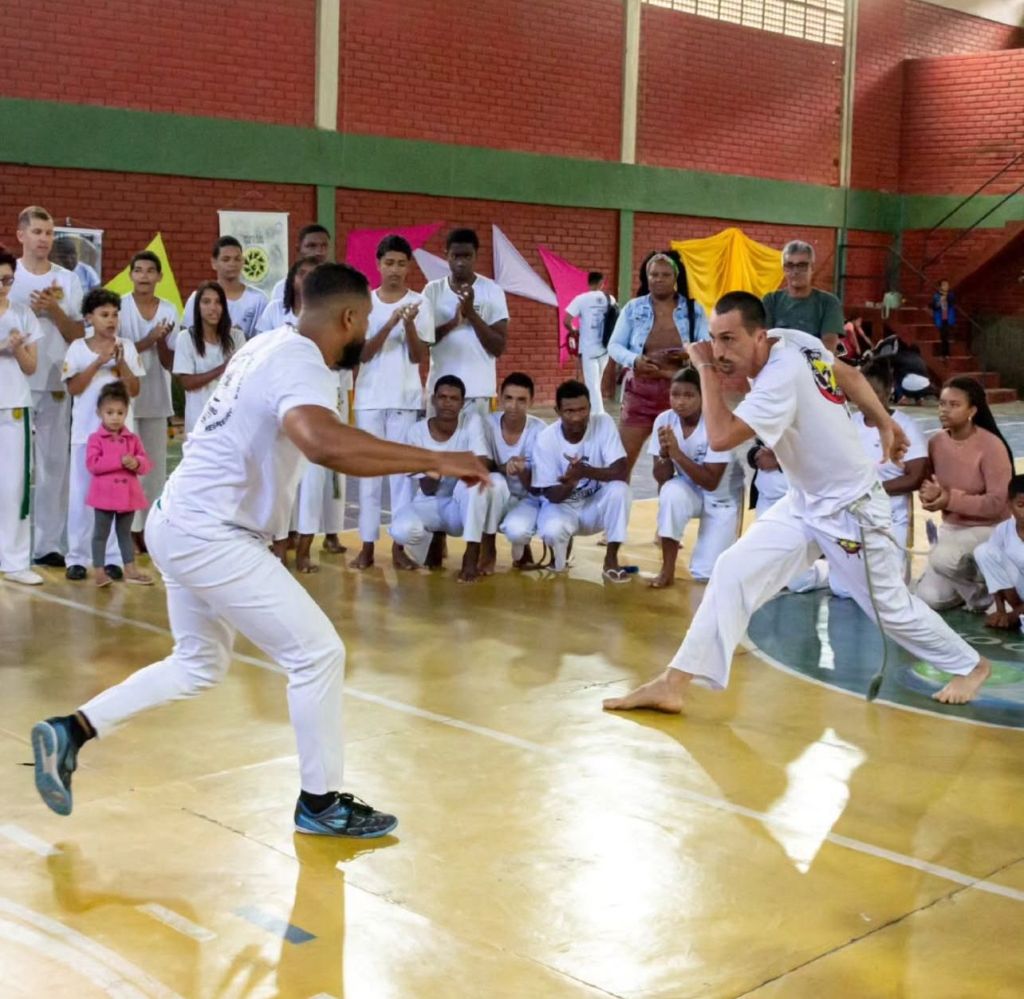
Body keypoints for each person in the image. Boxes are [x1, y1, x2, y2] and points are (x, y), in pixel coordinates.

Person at [30, 262, 490, 838]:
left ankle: (70, 730)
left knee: (199, 663)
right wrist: (437, 458)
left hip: (181, 520)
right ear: (348, 317)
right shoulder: (300, 362)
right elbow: (321, 442)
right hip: (211, 532)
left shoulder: (271, 344)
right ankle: (321, 805)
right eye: (364, 320)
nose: (363, 332)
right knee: (318, 655)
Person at [604, 292, 992, 714]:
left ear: (758, 335)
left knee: (890, 609)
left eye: (730, 340)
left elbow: (720, 437)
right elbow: (849, 375)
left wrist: (704, 372)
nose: (719, 352)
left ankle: (971, 665)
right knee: (732, 570)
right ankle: (673, 683)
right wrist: (884, 423)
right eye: (714, 340)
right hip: (805, 502)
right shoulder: (792, 338)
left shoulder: (777, 377)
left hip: (851, 510)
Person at [351, 235, 433, 571]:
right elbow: (363, 354)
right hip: (370, 400)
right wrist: (389, 323)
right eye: (389, 263)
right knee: (369, 477)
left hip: (405, 398)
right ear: (378, 264)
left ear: (409, 266)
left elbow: (419, 357)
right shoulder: (364, 304)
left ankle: (399, 546)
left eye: (401, 263)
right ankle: (367, 546)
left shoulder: (420, 303)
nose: (395, 269)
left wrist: (409, 325)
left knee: (402, 477)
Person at [11, 206, 85, 568]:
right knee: (11, 466)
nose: (44, 239)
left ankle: (48, 545)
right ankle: (9, 542)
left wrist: (53, 310)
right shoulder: (10, 277)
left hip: (55, 378)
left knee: (54, 464)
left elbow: (78, 334)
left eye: (49, 232)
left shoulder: (67, 281)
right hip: (13, 381)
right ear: (20, 234)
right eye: (38, 231)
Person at [389, 376, 506, 582]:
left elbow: (481, 465)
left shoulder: (472, 421)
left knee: (477, 485)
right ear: (433, 400)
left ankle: (471, 554)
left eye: (453, 398)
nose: (447, 402)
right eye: (442, 397)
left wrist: (438, 465)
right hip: (430, 502)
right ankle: (435, 536)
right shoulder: (416, 432)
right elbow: (427, 487)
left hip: (460, 508)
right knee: (402, 531)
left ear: (462, 403)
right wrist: (460, 464)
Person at [62, 289, 145, 581]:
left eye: (114, 315)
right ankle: (78, 558)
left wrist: (120, 362)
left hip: (120, 440)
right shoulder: (77, 348)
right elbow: (73, 388)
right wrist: (99, 361)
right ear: (89, 318)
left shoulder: (127, 347)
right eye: (104, 315)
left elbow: (134, 390)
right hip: (86, 435)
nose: (111, 321)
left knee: (115, 499)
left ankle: (112, 559)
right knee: (82, 497)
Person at [915, 376, 1013, 612]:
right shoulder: (936, 442)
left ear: (972, 410)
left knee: (942, 558)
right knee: (930, 598)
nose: (944, 410)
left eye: (954, 405)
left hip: (990, 529)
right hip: (951, 530)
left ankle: (988, 595)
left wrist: (949, 498)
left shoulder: (992, 446)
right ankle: (979, 588)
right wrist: (929, 497)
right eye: (941, 403)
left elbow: (998, 504)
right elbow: (931, 485)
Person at [608, 250, 709, 476]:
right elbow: (614, 346)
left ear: (676, 278)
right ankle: (616, 507)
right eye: (653, 274)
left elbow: (709, 344)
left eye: (665, 274)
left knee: (667, 468)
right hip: (639, 395)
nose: (658, 279)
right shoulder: (633, 308)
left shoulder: (693, 310)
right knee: (621, 464)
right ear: (646, 277)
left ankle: (671, 508)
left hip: (679, 396)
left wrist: (686, 353)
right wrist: (635, 361)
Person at [648, 368, 742, 589]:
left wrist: (677, 452)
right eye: (675, 395)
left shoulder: (718, 421)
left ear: (703, 396)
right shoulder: (664, 420)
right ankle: (667, 568)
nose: (680, 402)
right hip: (690, 488)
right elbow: (662, 478)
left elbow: (711, 481)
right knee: (670, 491)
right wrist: (664, 454)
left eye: (688, 395)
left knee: (706, 574)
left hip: (722, 498)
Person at [532, 380, 633, 580]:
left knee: (620, 490)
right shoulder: (546, 439)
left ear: (590, 408)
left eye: (582, 410)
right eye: (569, 411)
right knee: (553, 533)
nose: (577, 417)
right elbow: (551, 495)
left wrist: (584, 471)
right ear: (557, 411)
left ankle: (611, 560)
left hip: (594, 509)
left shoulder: (603, 423)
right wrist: (571, 481)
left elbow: (621, 470)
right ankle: (560, 554)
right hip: (562, 506)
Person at [116, 250, 178, 553]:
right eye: (138, 270)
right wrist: (150, 338)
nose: (143, 275)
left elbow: (169, 362)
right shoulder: (119, 307)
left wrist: (162, 342)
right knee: (126, 466)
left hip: (156, 395)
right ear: (131, 275)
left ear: (159, 277)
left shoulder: (168, 310)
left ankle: (150, 529)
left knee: (153, 468)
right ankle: (127, 529)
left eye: (149, 270)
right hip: (124, 398)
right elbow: (121, 352)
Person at [423, 228, 509, 417]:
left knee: (476, 447)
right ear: (446, 255)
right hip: (441, 391)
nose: (461, 262)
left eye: (467, 256)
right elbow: (423, 343)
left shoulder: (492, 291)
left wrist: (471, 314)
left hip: (478, 392)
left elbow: (498, 347)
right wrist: (453, 323)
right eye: (455, 256)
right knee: (437, 446)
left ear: (476, 256)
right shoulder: (432, 290)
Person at [0, 245, 45, 585]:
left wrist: (16, 350)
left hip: (14, 405)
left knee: (15, 486)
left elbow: (32, 367)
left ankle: (15, 562)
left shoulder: (23, 315)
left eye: (8, 280)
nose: (3, 286)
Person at [85, 381, 153, 587]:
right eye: (110, 412)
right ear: (99, 413)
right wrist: (119, 461)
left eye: (120, 412)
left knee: (125, 533)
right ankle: (98, 570)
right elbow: (92, 464)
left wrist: (136, 462)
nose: (115, 417)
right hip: (104, 495)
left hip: (128, 495)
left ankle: (130, 570)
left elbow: (145, 464)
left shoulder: (132, 439)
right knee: (100, 534)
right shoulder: (95, 438)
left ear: (126, 413)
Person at [489, 371, 547, 570]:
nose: (514, 406)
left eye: (521, 400)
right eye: (509, 398)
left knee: (517, 531)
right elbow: (477, 464)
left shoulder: (541, 431)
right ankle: (485, 548)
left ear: (531, 401)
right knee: (489, 485)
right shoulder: (487, 424)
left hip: (527, 499)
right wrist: (503, 468)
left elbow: (541, 485)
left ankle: (523, 541)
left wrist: (523, 472)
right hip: (496, 497)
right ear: (499, 396)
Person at [173, 282, 246, 436]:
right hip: (199, 424)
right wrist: (223, 368)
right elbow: (187, 382)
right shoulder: (186, 338)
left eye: (218, 302)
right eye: (206, 302)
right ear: (197, 307)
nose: (213, 307)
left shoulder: (237, 337)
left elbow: (244, 378)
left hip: (231, 422)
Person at [762, 240, 844, 352]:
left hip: (815, 366)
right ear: (784, 269)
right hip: (778, 365)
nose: (795, 271)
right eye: (789, 265)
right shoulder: (771, 301)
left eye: (802, 266)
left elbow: (828, 347)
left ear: (812, 268)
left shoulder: (828, 303)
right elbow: (765, 342)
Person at [182, 237, 267, 340]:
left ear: (242, 262)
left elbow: (264, 340)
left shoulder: (259, 299)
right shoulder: (198, 298)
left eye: (237, 259)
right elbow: (188, 336)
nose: (232, 264)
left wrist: (241, 338)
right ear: (214, 263)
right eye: (226, 259)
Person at [974, 476, 1024, 631]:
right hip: (1017, 593)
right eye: (1021, 505)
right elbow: (992, 568)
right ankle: (1014, 614)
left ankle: (1018, 616)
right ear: (1009, 505)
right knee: (983, 551)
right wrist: (1001, 611)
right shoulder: (1003, 529)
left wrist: (1012, 616)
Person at [564, 271, 615, 417]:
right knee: (596, 385)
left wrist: (574, 331)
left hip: (588, 349)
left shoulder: (581, 299)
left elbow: (567, 320)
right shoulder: (610, 299)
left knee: (592, 386)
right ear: (601, 283)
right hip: (605, 347)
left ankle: (598, 416)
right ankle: (596, 414)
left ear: (588, 283)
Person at [269, 224, 332, 301]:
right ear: (298, 249)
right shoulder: (282, 288)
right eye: (312, 246)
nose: (319, 252)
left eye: (324, 245)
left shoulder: (339, 285)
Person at [256, 256, 318, 334]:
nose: (307, 278)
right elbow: (261, 341)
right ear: (292, 280)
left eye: (312, 275)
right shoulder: (274, 309)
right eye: (302, 273)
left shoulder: (324, 315)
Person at [931, 280, 956, 359]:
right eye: (944, 285)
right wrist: (940, 301)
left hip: (948, 318)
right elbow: (934, 306)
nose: (946, 286)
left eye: (947, 285)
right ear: (940, 287)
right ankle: (943, 354)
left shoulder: (950, 295)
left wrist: (946, 297)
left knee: (946, 336)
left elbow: (952, 301)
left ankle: (946, 354)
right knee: (943, 336)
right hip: (941, 317)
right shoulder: (936, 296)